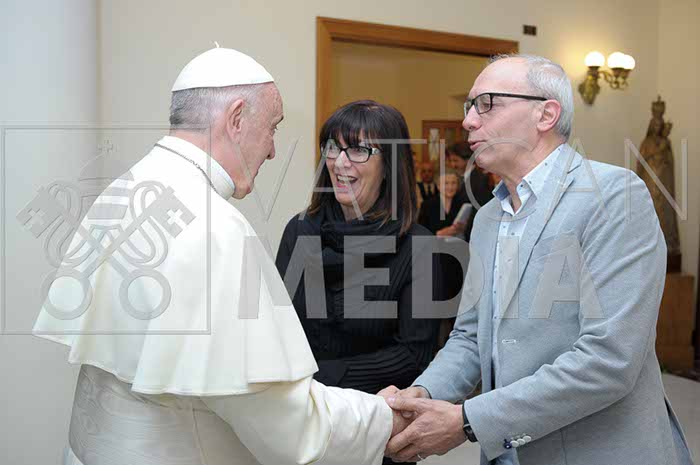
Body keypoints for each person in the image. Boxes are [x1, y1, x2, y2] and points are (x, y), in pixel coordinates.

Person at [32, 47, 409, 465]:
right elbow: (288, 428)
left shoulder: (126, 189)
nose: (272, 150)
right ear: (236, 119)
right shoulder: (216, 227)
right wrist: (382, 417)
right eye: (272, 128)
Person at [383, 55, 694, 465]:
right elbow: (470, 338)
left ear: (545, 114)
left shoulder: (614, 196)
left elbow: (609, 360)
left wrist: (468, 421)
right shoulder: (487, 218)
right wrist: (419, 396)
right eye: (469, 106)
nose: (468, 121)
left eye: (486, 104)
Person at [275, 100, 442, 465]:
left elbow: (414, 354)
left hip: (374, 428)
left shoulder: (420, 246)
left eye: (358, 150)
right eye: (333, 147)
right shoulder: (299, 232)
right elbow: (280, 327)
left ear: (390, 164)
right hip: (302, 425)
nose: (340, 162)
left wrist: (322, 377)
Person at [446, 142, 493, 241]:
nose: (453, 165)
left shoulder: (480, 180)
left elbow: (480, 210)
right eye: (450, 161)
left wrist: (466, 227)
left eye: (456, 160)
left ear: (467, 160)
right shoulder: (462, 178)